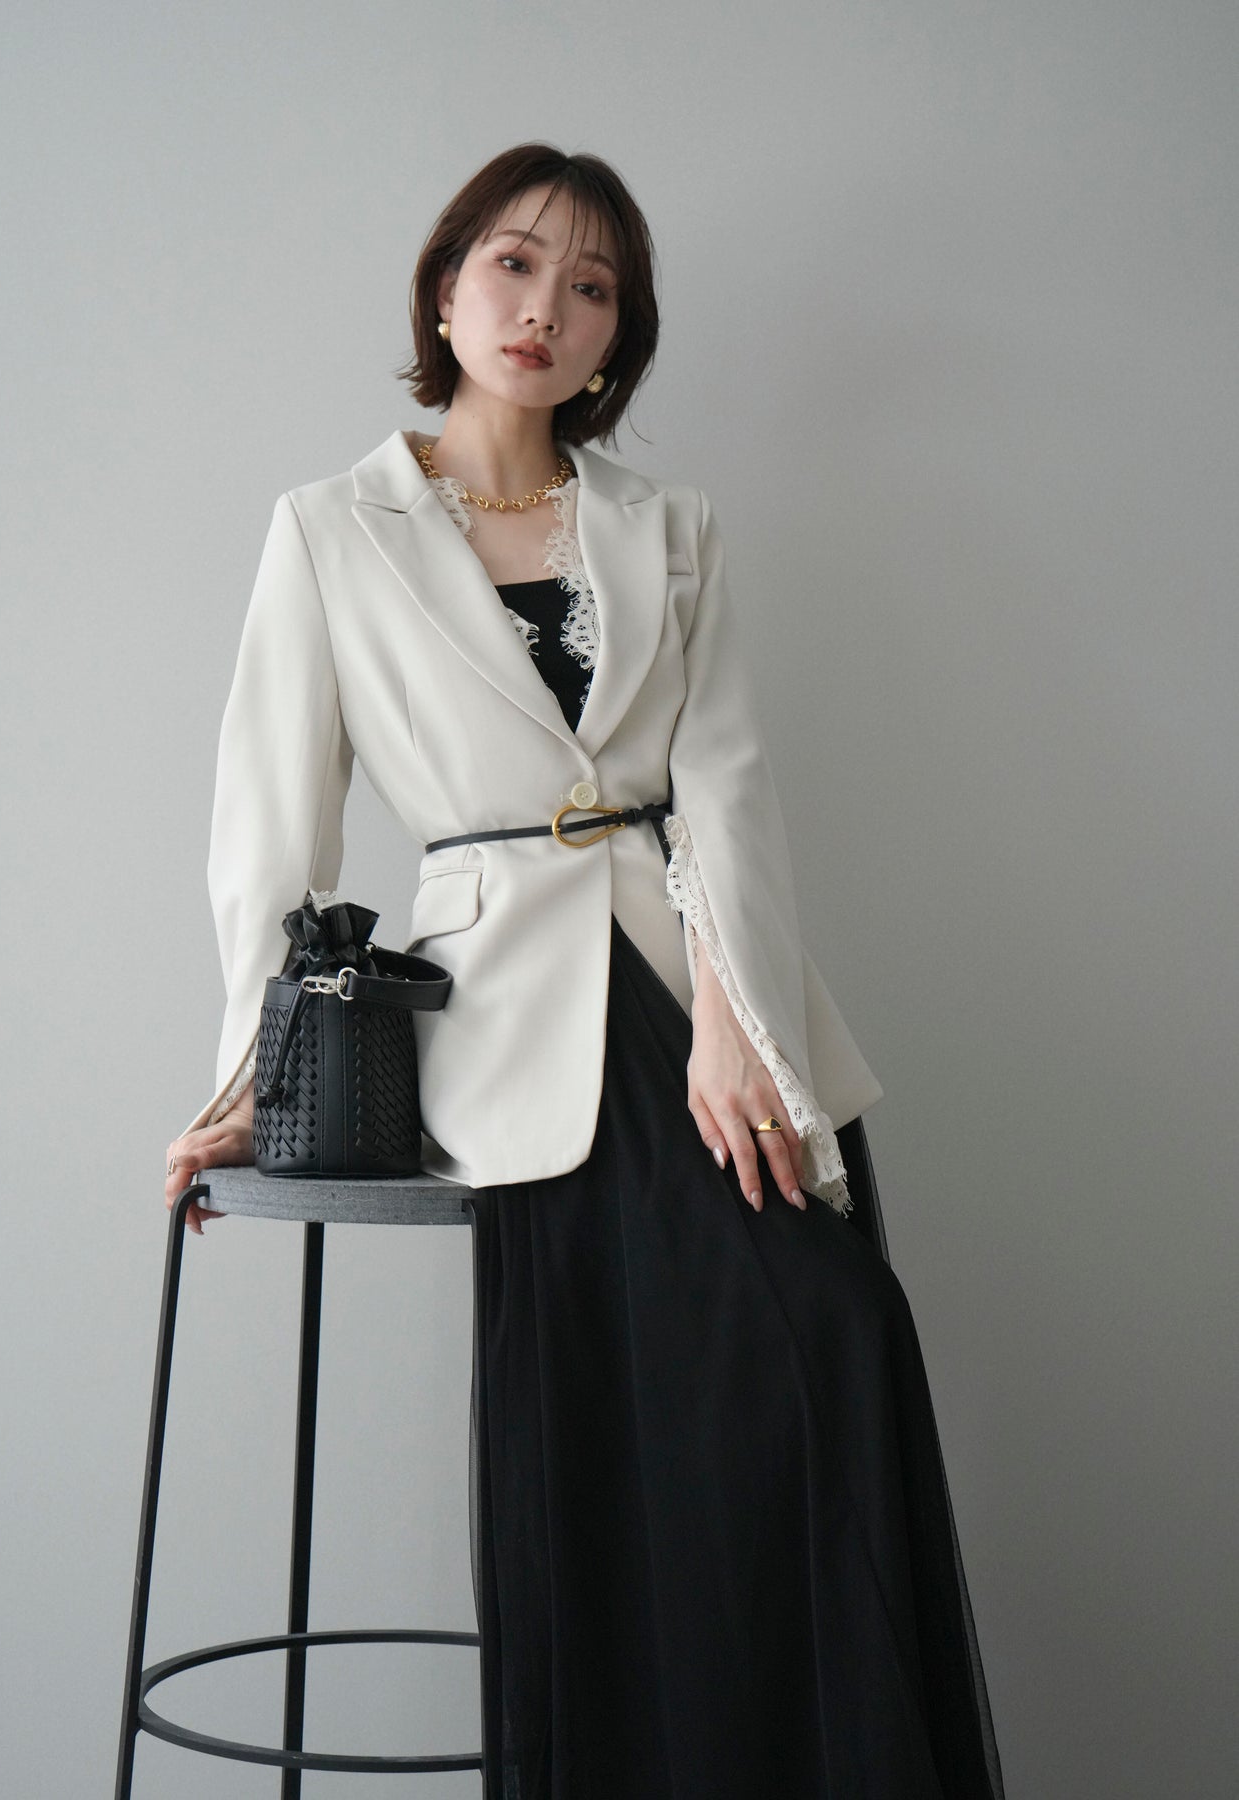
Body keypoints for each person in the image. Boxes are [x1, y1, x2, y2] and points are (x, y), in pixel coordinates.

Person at [164, 141, 1005, 1799]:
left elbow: (728, 787)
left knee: (833, 1344)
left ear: (620, 337)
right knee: (670, 1421)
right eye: (513, 263)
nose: (545, 306)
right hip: (505, 1009)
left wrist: (735, 1023)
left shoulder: (666, 528)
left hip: (703, 989)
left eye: (591, 285)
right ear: (445, 289)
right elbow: (270, 831)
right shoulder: (329, 529)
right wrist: (257, 1078)